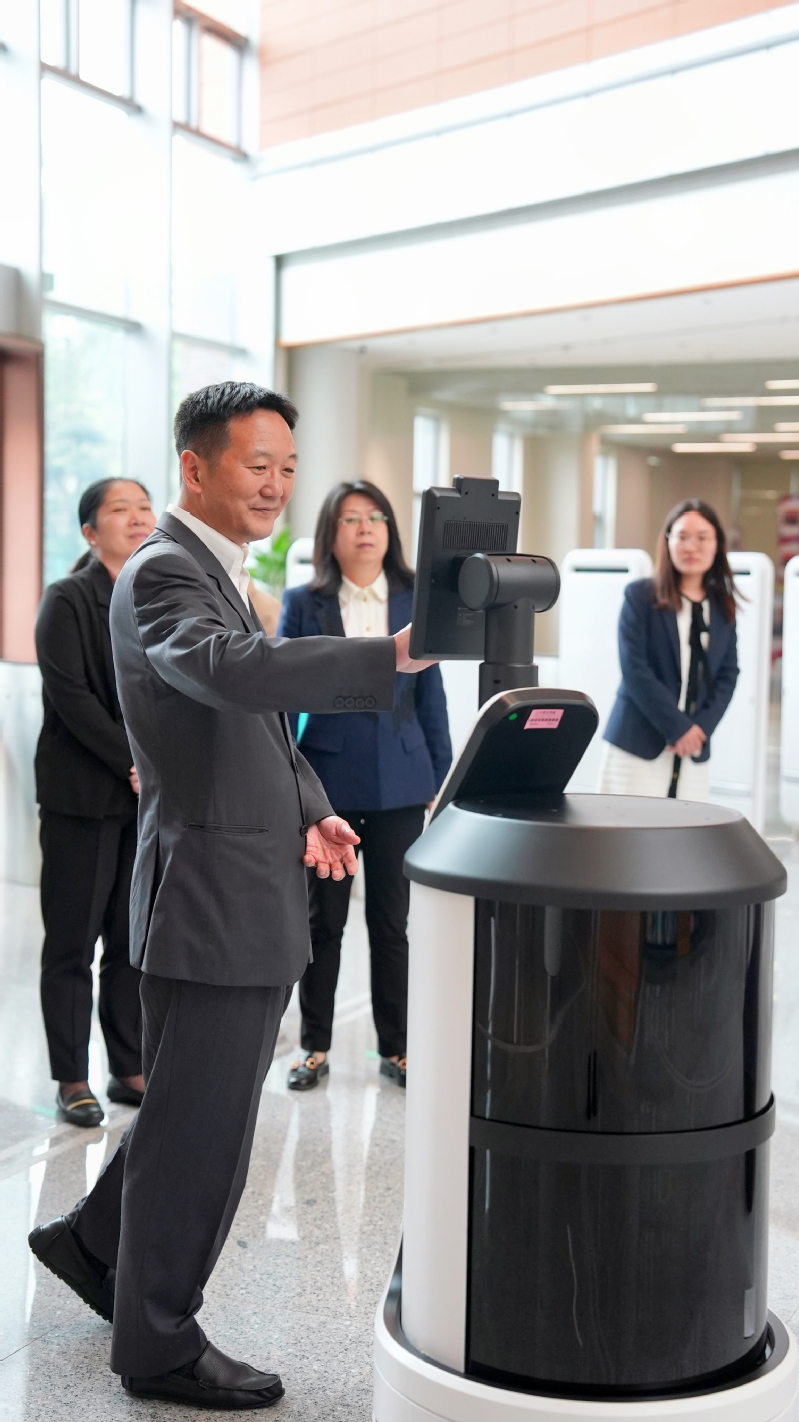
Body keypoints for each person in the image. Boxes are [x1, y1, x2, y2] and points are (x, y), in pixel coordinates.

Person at [28, 381, 432, 1411]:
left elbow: (253, 726)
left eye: (287, 466)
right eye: (257, 465)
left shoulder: (216, 568)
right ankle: (157, 1345)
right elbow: (230, 672)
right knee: (201, 1137)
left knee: (190, 1110)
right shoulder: (167, 570)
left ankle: (94, 1244)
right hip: (211, 893)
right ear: (195, 466)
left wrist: (310, 808)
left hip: (244, 874)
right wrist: (384, 657)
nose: (276, 484)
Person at [279, 481, 451, 1092]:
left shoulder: (415, 599)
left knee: (391, 923)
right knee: (322, 923)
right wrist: (290, 783)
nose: (365, 528)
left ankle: (397, 1048)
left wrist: (439, 773)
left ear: (390, 530)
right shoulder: (305, 602)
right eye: (350, 519)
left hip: (403, 782)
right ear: (331, 534)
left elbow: (431, 694)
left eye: (375, 517)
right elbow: (285, 693)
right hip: (328, 781)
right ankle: (314, 1046)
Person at [34, 479, 157, 1127]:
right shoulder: (67, 599)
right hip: (82, 799)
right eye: (120, 509)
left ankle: (127, 1067)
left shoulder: (154, 596)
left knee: (131, 940)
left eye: (144, 507)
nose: (137, 517)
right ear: (90, 531)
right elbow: (71, 696)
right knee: (73, 943)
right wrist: (131, 759)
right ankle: (71, 1077)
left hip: (142, 801)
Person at [598, 499, 739, 801]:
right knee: (626, 826)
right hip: (639, 742)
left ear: (717, 544)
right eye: (682, 536)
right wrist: (678, 727)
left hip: (693, 748)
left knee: (688, 827)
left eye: (702, 537)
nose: (691, 547)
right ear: (667, 542)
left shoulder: (722, 607)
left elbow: (728, 675)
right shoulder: (641, 596)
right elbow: (634, 669)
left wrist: (700, 729)